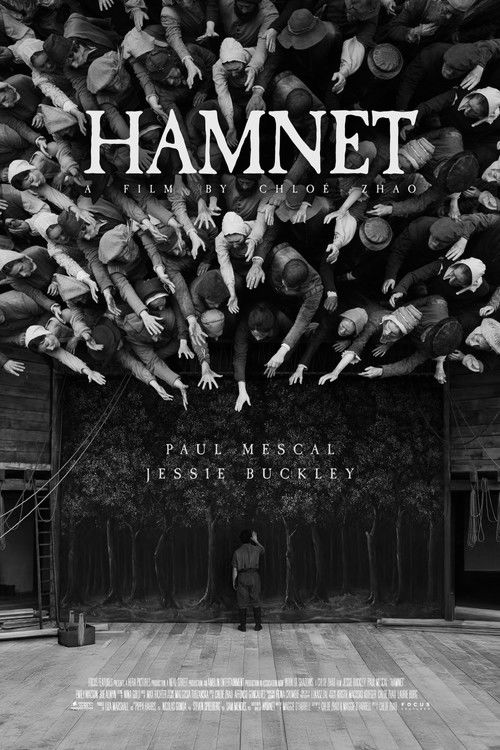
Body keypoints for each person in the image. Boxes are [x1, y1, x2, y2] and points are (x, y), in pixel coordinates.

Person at [232, 529, 265, 632]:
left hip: (242, 577)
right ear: (250, 538)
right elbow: (263, 550)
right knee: (256, 600)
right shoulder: (257, 549)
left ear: (241, 539)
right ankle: (258, 625)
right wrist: (256, 540)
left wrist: (234, 581)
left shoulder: (237, 552)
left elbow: (235, 569)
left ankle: (243, 626)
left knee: (242, 602)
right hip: (254, 577)